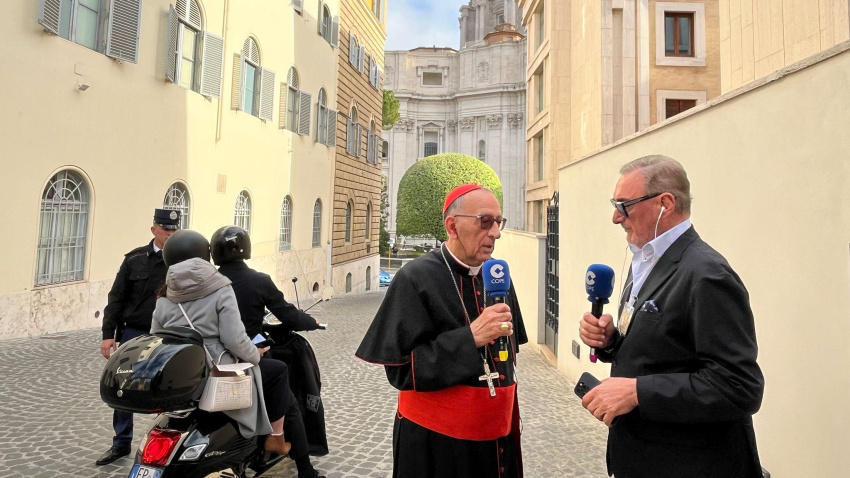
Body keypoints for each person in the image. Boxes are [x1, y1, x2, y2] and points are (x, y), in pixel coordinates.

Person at [578, 155, 764, 477]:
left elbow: (739, 386)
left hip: (688, 464)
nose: (615, 217)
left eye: (624, 206)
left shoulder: (708, 274)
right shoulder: (645, 257)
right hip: (643, 457)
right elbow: (665, 347)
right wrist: (611, 341)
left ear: (665, 203)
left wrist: (637, 392)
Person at [356, 184, 528, 478]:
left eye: (499, 222)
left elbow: (507, 355)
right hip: (436, 444)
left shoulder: (498, 276)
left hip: (497, 438)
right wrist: (470, 338)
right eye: (485, 221)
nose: (496, 233)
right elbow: (400, 372)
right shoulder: (414, 277)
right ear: (453, 226)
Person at [150, 230, 292, 456]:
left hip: (182, 372)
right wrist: (255, 355)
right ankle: (276, 437)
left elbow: (157, 337)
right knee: (279, 370)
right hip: (215, 369)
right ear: (204, 255)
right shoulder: (220, 287)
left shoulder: (164, 295)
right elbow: (234, 339)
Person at [211, 226, 325, 478]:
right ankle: (305, 469)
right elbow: (288, 314)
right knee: (289, 404)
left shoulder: (210, 283)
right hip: (250, 358)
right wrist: (311, 322)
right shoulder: (259, 280)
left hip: (213, 359)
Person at [96, 208, 180, 466]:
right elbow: (116, 298)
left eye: (174, 231)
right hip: (134, 332)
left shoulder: (182, 262)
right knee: (122, 388)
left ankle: (172, 445)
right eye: (166, 230)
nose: (170, 235)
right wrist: (108, 334)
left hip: (168, 334)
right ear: (154, 229)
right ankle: (121, 443)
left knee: (173, 386)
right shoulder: (134, 260)